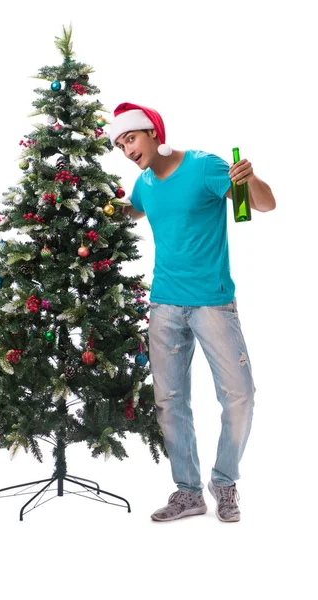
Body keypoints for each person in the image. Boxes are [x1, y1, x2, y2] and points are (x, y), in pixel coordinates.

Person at [109, 102, 276, 523]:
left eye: (131, 138)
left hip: (212, 303)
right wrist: (110, 209)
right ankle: (188, 492)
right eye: (119, 144)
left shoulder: (204, 167)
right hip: (163, 305)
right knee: (169, 400)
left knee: (240, 396)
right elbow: (137, 209)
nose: (127, 149)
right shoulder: (145, 183)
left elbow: (264, 204)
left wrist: (249, 178)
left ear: (152, 134)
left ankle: (224, 481)